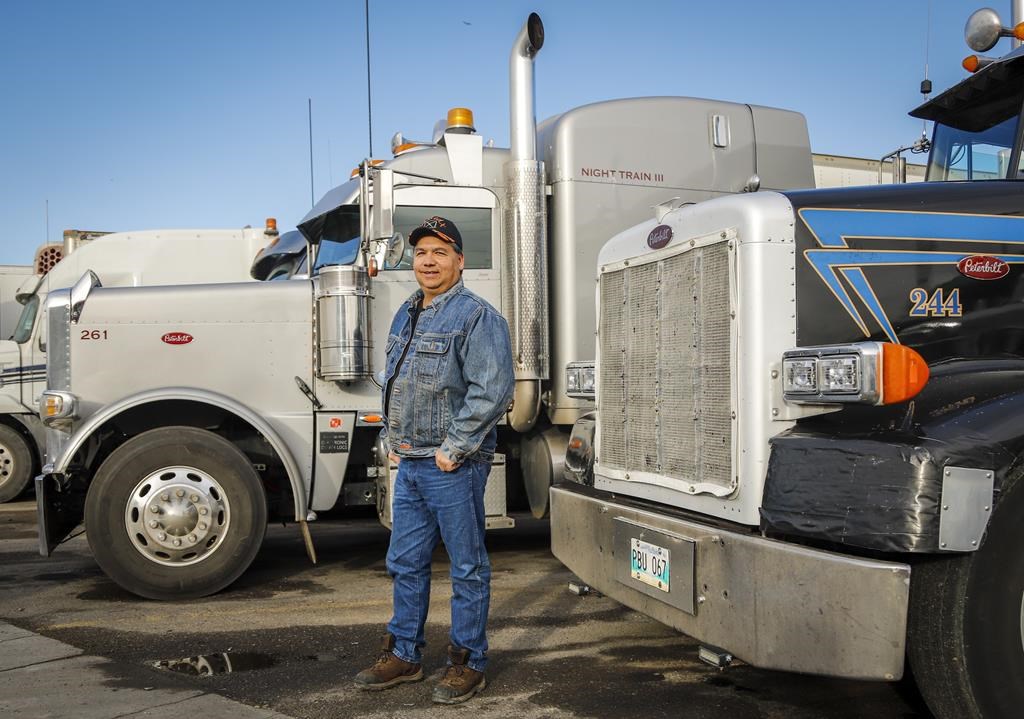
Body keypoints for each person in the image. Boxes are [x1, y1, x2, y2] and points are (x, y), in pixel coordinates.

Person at [354, 215, 515, 704]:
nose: (429, 260)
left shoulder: (476, 316)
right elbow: (399, 380)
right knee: (404, 562)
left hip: (452, 465)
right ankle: (404, 655)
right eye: (422, 251)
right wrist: (394, 439)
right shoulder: (407, 312)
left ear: (459, 262)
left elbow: (493, 391)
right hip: (410, 462)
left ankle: (468, 663)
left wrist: (454, 449)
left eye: (440, 253)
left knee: (466, 567)